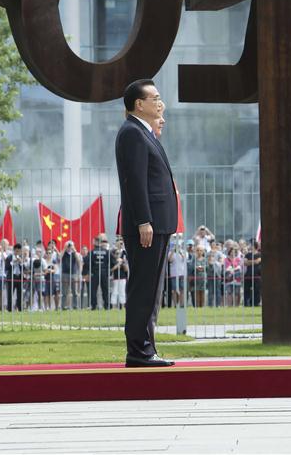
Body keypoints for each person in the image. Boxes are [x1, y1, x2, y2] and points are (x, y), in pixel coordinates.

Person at [116, 79, 178, 367]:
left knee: (153, 288)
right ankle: (139, 351)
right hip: (148, 225)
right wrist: (143, 220)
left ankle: (146, 348)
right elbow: (135, 182)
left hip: (159, 223)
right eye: (154, 98)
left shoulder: (145, 133)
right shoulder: (132, 133)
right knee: (144, 286)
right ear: (139, 104)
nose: (160, 102)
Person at [110, 238, 129, 309]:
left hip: (123, 276)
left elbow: (126, 268)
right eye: (119, 242)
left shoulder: (125, 253)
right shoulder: (112, 252)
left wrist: (123, 263)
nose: (120, 244)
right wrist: (118, 264)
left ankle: (123, 305)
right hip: (115, 276)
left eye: (121, 243)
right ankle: (113, 306)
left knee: (122, 291)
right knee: (114, 291)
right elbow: (111, 267)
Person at [243, 240, 262, 307]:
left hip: (257, 275)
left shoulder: (260, 254)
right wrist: (254, 261)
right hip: (248, 275)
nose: (249, 246)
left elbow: (258, 261)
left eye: (250, 245)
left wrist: (250, 262)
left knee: (257, 290)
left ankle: (256, 303)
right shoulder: (247, 254)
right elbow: (245, 263)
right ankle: (247, 303)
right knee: (247, 290)